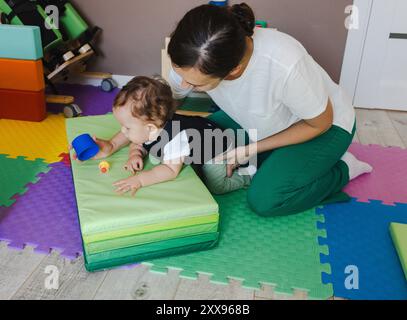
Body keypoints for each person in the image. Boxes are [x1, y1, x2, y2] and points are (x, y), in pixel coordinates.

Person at [166, 3, 373, 217]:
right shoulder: (193, 55)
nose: (182, 85)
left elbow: (321, 122)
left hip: (323, 127)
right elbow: (169, 99)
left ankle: (343, 168)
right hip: (257, 118)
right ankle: (273, 160)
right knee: (197, 138)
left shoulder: (285, 65)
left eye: (196, 85)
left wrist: (252, 149)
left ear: (233, 69)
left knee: (265, 199)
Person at [73, 76, 251, 196]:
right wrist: (133, 152)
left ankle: (247, 176)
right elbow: (137, 140)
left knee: (214, 186)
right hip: (200, 131)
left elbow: (170, 170)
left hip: (218, 149)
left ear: (150, 128)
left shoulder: (175, 140)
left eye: (126, 127)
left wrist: (140, 179)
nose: (123, 132)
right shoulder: (150, 128)